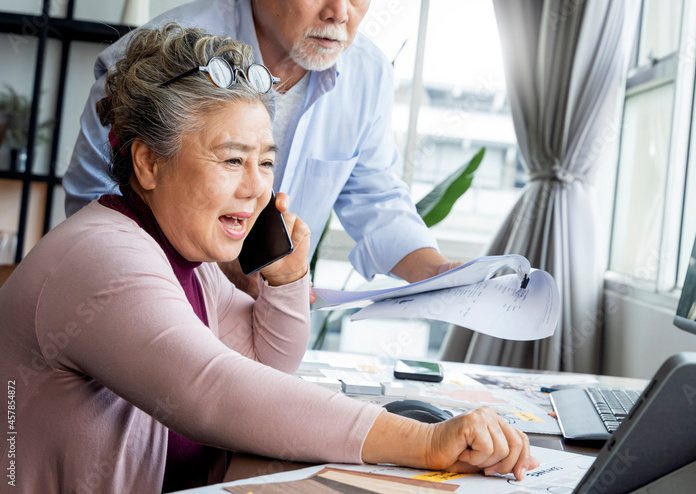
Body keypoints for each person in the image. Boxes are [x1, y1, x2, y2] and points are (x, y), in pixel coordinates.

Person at [0, 24, 536, 492]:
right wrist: (425, 440)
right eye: (232, 160)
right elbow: (213, 391)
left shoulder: (184, 259)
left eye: (265, 161)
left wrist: (284, 277)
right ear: (147, 163)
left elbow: (262, 365)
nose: (257, 188)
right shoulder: (104, 257)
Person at [63, 0, 458, 286]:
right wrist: (218, 269)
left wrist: (439, 272)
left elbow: (378, 202)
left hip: (270, 328)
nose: (339, 12)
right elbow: (93, 203)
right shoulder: (159, 56)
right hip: (157, 305)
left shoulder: (368, 75)